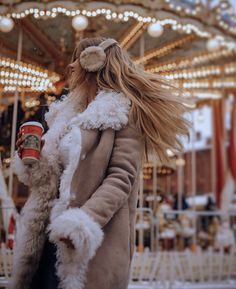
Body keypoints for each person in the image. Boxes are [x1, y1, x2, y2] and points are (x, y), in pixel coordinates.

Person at [9, 37, 189, 289]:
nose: (71, 66)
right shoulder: (65, 115)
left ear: (93, 62)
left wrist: (82, 222)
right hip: (48, 233)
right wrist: (33, 158)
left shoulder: (123, 116)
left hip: (88, 237)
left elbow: (120, 179)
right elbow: (47, 177)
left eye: (77, 59)